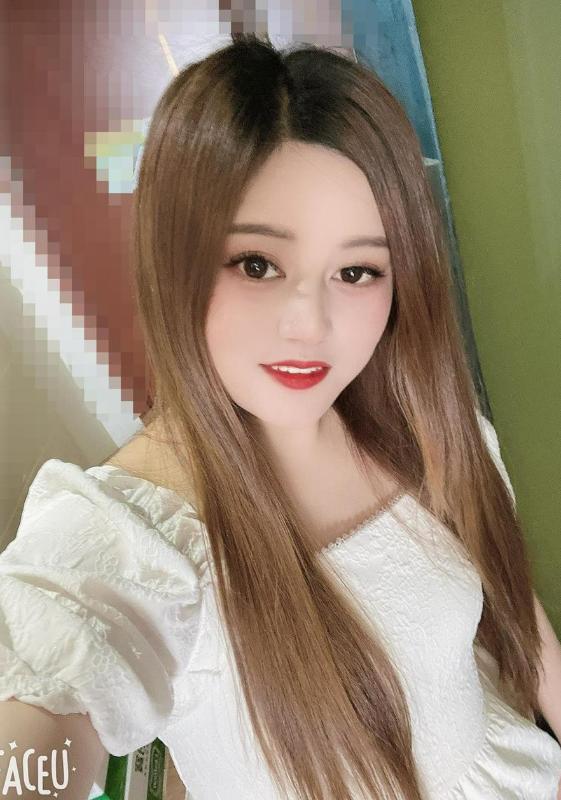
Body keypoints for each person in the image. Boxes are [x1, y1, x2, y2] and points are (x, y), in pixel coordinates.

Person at [0, 33, 560, 800]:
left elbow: (523, 628)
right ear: (175, 259)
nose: (310, 323)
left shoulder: (431, 429)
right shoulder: (134, 541)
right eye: (257, 264)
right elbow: (35, 732)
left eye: (355, 271)